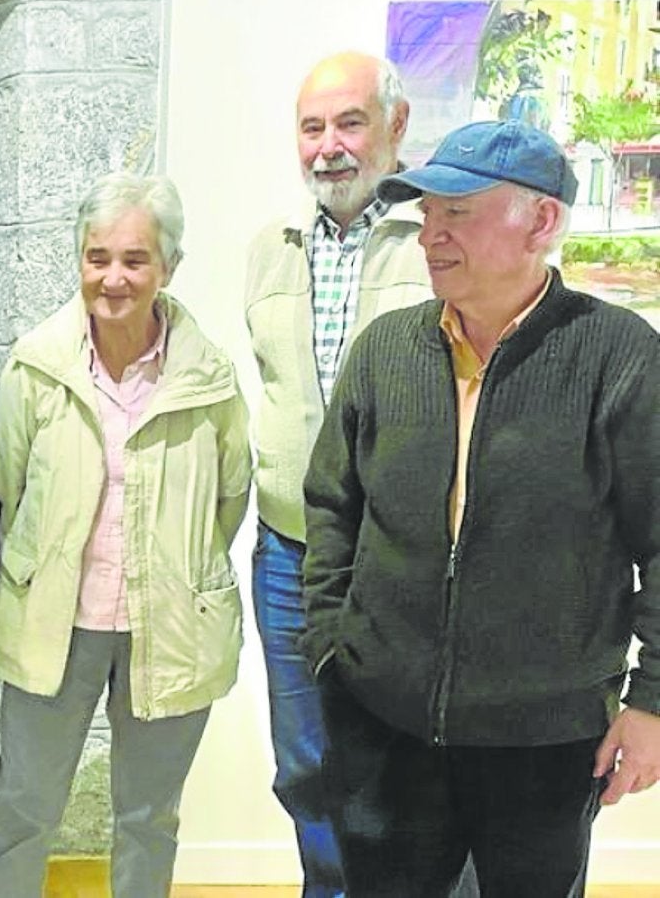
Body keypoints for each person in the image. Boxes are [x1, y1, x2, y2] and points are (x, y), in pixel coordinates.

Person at [301, 120, 659, 896]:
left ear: (542, 221)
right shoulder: (385, 350)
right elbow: (331, 509)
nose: (430, 233)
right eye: (427, 212)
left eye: (457, 212)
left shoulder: (621, 357)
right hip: (386, 723)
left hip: (547, 737)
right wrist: (333, 649)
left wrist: (653, 702)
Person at [0, 172, 252, 897]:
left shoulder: (210, 378)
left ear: (169, 267)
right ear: (79, 260)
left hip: (169, 626)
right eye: (98, 257)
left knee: (148, 816)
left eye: (135, 259)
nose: (114, 277)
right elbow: (6, 483)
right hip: (56, 622)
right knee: (23, 809)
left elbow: (229, 498)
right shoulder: (36, 365)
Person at [244, 50, 432, 897]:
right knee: (305, 764)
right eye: (312, 128)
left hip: (404, 559)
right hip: (289, 556)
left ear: (395, 126)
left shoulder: (437, 241)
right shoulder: (269, 251)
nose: (329, 147)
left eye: (350, 123)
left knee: (403, 764)